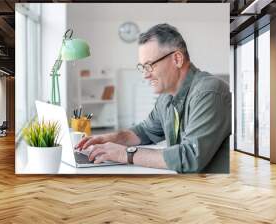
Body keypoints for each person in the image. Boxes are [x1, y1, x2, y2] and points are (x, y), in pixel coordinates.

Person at [76, 23, 231, 173]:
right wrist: (110, 138)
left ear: (177, 59)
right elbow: (145, 131)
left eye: (150, 65)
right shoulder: (166, 98)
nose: (145, 74)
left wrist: (125, 154)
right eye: (142, 67)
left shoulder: (209, 92)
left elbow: (189, 157)